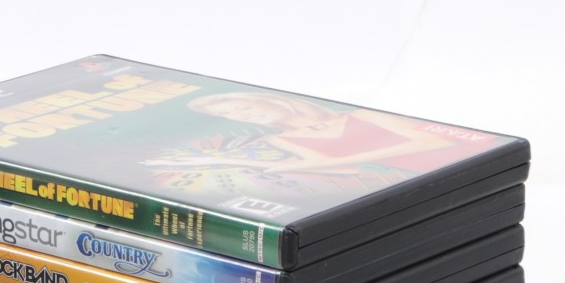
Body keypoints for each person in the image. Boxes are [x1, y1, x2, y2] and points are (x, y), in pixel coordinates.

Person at [155, 91, 465, 181]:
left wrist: (329, 160)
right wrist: (226, 161)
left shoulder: (361, 115)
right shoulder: (282, 140)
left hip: (452, 169)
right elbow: (347, 170)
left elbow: (436, 141)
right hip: (416, 181)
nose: (240, 115)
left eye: (241, 107)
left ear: (270, 100)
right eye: (229, 115)